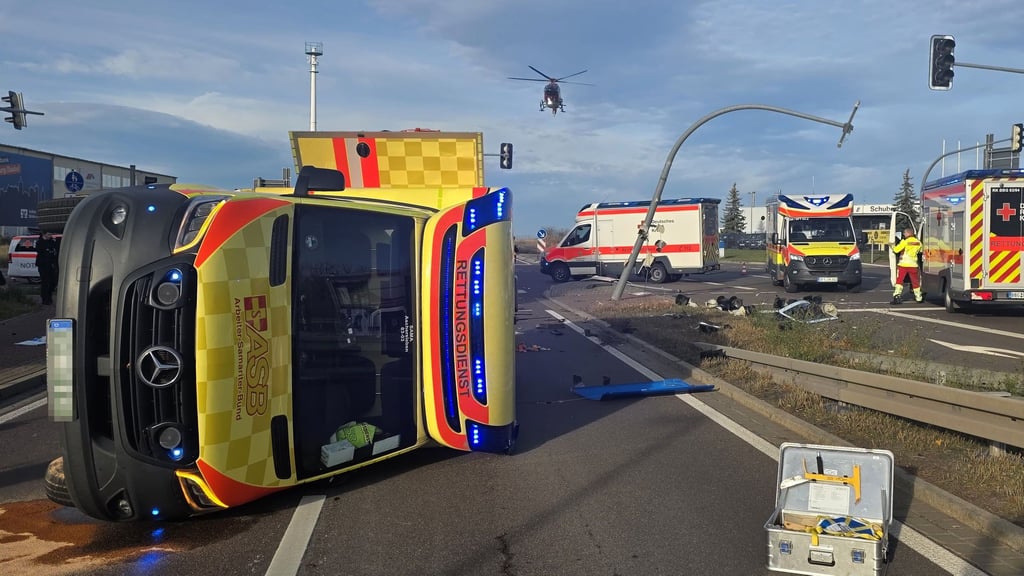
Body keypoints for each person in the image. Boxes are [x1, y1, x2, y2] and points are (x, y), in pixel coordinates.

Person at [890, 227, 923, 304]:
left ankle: (897, 296)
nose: (904, 234)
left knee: (899, 281)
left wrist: (892, 245)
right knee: (915, 282)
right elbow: (920, 251)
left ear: (908, 233)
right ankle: (918, 297)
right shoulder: (918, 242)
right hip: (914, 265)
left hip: (903, 265)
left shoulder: (905, 241)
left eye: (904, 233)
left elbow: (896, 250)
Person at [35, 231, 59, 305]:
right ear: (44, 234)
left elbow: (55, 249)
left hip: (51, 265)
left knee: (53, 282)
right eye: (48, 234)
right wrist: (47, 250)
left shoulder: (52, 242)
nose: (50, 236)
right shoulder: (39, 242)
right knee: (45, 282)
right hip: (43, 265)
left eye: (51, 234)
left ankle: (49, 296)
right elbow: (40, 251)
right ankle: (45, 299)